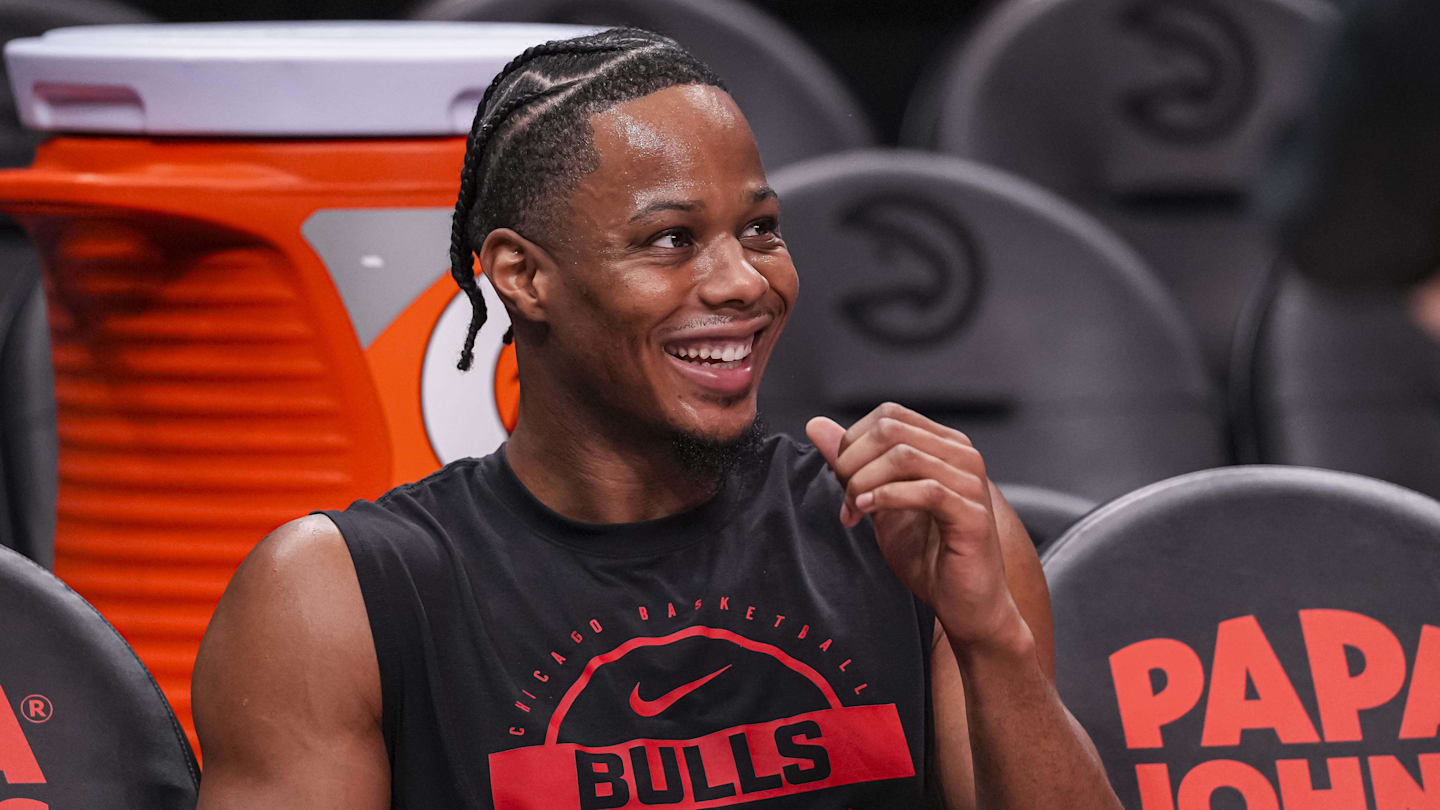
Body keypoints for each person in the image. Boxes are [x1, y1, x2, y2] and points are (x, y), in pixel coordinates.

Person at [191, 27, 1122, 809]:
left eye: (760, 229)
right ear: (524, 276)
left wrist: (992, 640)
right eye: (672, 240)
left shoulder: (912, 529)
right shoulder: (335, 601)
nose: (743, 281)